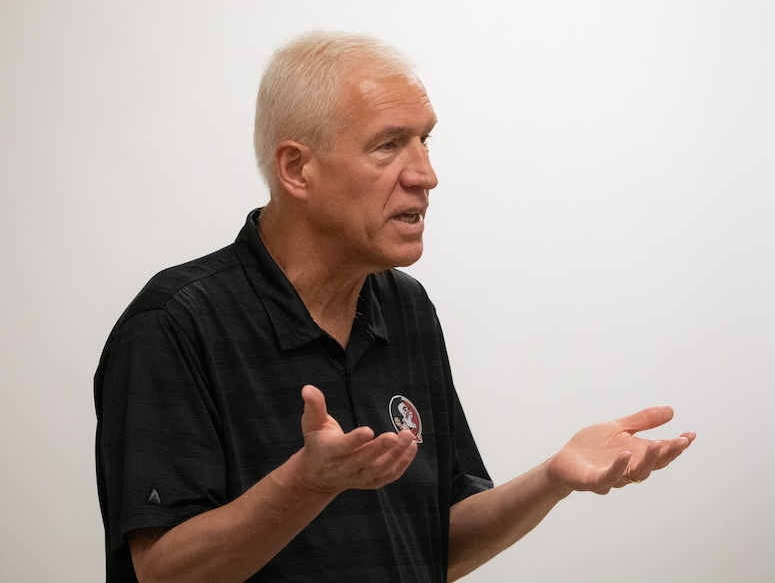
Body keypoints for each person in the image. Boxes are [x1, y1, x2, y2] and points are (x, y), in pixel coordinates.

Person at [94, 31, 696, 583]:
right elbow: (165, 574)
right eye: (388, 147)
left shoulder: (404, 308)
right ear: (297, 169)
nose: (426, 175)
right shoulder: (174, 325)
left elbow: (435, 544)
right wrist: (307, 483)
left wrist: (551, 480)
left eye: (425, 139)